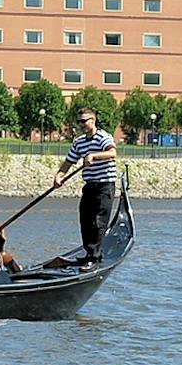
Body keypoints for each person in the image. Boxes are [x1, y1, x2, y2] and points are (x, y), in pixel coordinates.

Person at [54, 105, 119, 263]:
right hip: (89, 186)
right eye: (79, 122)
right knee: (85, 220)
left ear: (93, 120)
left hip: (105, 186)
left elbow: (112, 153)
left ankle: (95, 257)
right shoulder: (79, 143)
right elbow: (68, 162)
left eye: (83, 121)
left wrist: (93, 156)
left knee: (98, 221)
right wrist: (59, 176)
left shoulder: (104, 137)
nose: (81, 125)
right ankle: (89, 253)